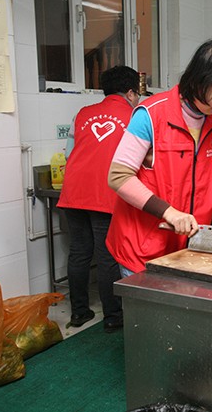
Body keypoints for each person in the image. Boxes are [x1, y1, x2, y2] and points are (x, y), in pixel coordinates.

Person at [105, 39, 212, 276]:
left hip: (188, 247)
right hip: (143, 248)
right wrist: (170, 213)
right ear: (198, 81)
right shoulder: (151, 115)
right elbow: (119, 176)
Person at [57, 65, 140, 333]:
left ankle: (79, 312)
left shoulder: (82, 114)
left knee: (80, 251)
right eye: (137, 93)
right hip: (105, 193)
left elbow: (70, 155)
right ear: (130, 92)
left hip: (73, 192)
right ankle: (113, 316)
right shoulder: (134, 115)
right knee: (107, 256)